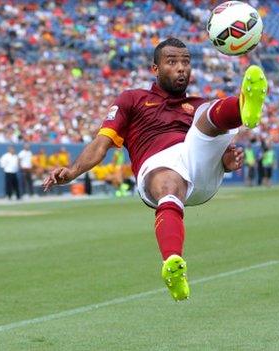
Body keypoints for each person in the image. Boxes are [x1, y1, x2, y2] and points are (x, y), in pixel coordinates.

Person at [44, 38, 267, 301]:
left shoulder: (195, 103)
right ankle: (173, 265)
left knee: (206, 113)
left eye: (185, 62)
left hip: (198, 164)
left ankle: (243, 107)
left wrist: (226, 163)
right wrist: (72, 172)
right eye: (172, 62)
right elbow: (100, 144)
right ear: (155, 69)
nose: (181, 68)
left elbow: (210, 152)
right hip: (157, 167)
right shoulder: (132, 99)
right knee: (171, 182)